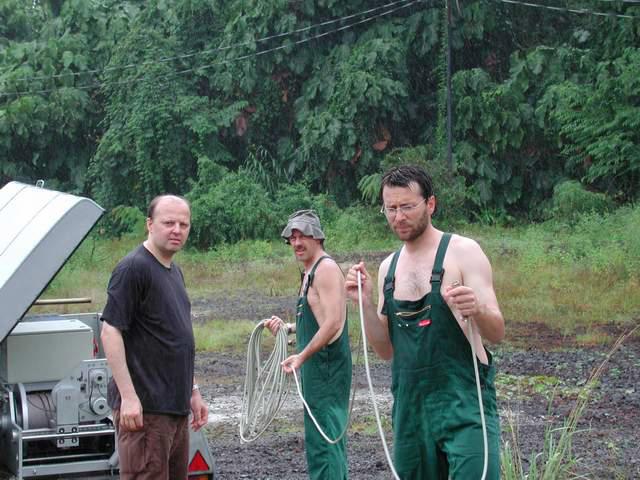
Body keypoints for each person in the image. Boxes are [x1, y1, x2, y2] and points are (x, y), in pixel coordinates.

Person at [345, 165, 504, 479]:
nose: (398, 217)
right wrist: (364, 304)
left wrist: (476, 309)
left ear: (430, 204)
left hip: (464, 405)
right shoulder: (388, 269)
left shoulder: (463, 252)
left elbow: (496, 332)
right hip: (411, 414)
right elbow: (386, 350)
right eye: (391, 209)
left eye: (407, 206)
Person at [100, 194, 208, 480]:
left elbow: (175, 338)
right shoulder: (133, 268)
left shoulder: (173, 271)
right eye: (168, 223)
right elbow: (110, 331)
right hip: (146, 413)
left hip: (173, 409)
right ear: (150, 224)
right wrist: (129, 397)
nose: (177, 230)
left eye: (184, 224)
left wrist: (193, 390)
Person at [264, 209, 352, 480]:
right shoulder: (309, 271)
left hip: (326, 370)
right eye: (292, 238)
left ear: (318, 237)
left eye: (303, 236)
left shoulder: (325, 269)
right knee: (320, 441)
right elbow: (319, 317)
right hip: (316, 372)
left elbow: (333, 323)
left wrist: (301, 356)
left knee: (326, 441)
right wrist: (288, 328)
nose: (297, 242)